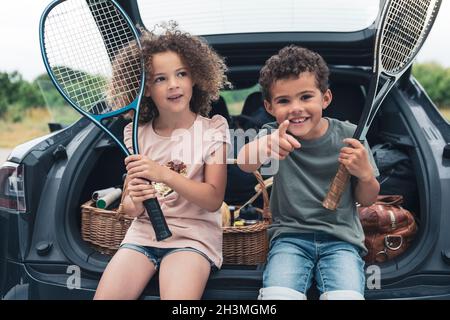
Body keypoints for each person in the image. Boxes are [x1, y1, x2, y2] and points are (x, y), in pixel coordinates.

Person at [94, 23, 231, 300]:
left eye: (182, 74)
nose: (173, 84)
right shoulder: (136, 135)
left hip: (192, 239)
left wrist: (164, 175)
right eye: (160, 79)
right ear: (144, 88)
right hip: (142, 235)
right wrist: (136, 198)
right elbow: (129, 210)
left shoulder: (213, 130)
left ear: (195, 78)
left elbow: (213, 199)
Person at [237, 45, 380, 300]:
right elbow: (244, 163)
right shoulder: (273, 134)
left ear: (325, 98)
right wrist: (263, 146)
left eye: (305, 97)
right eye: (284, 101)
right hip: (289, 239)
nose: (296, 108)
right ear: (270, 107)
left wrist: (366, 174)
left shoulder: (351, 136)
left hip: (342, 241)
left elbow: (368, 198)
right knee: (277, 295)